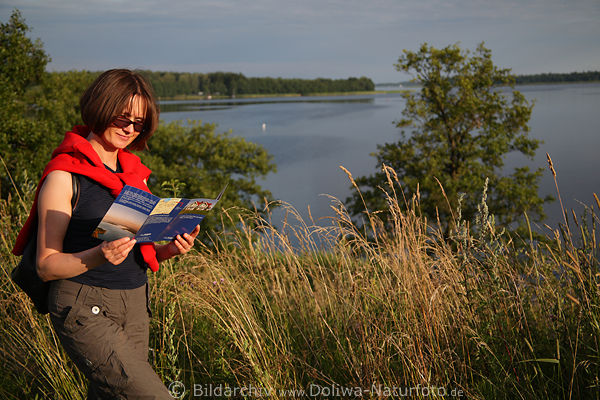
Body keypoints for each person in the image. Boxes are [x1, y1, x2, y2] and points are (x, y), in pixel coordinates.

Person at [13, 69, 198, 399]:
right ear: (100, 107)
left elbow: (135, 249)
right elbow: (46, 265)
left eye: (138, 123)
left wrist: (170, 249)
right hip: (85, 307)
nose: (130, 129)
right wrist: (99, 255)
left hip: (136, 305)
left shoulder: (133, 175)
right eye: (123, 117)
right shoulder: (65, 175)